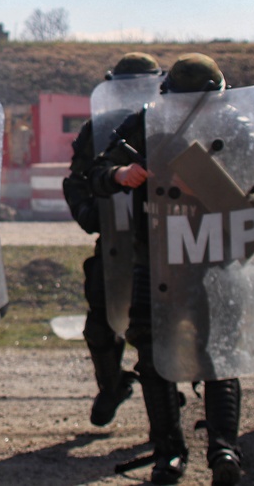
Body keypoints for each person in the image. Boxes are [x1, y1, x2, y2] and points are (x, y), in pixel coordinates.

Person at [88, 54, 254, 486]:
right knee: (153, 358)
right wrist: (119, 173)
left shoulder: (238, 130)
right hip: (156, 260)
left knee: (219, 355)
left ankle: (224, 447)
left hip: (214, 259)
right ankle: (168, 452)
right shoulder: (143, 125)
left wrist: (213, 182)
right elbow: (95, 172)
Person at [62, 52, 161, 427]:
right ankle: (113, 385)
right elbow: (77, 180)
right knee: (101, 326)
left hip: (165, 241)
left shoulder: (168, 122)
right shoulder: (99, 129)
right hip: (115, 241)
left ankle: (163, 411)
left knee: (157, 329)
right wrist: (88, 213)